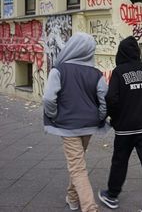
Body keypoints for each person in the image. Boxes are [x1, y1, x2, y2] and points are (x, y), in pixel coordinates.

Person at [43, 32, 108, 212]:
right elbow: (105, 99)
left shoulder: (59, 70)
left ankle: (89, 208)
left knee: (77, 167)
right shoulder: (96, 74)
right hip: (88, 126)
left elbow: (48, 99)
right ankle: (72, 197)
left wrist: (54, 115)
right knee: (77, 163)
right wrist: (100, 117)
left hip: (68, 126)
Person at [98, 36, 142, 212]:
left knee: (120, 162)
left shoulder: (119, 72)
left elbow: (111, 99)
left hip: (125, 129)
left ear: (121, 53)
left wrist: (115, 118)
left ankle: (112, 195)